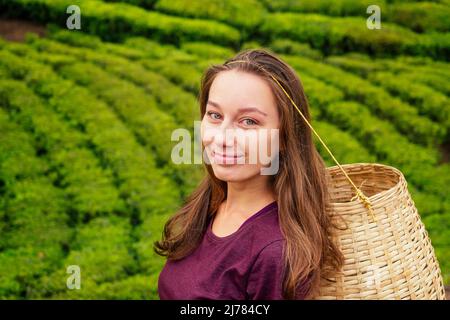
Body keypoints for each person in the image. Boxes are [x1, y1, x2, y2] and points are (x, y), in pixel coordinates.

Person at [155, 48, 344, 300]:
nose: (222, 137)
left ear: (284, 136)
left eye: (248, 122)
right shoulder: (209, 205)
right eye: (214, 115)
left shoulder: (274, 253)